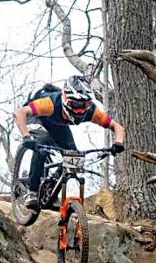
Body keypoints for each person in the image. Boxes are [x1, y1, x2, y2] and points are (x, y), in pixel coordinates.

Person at [13, 75, 126, 209]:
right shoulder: (50, 103)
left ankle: (50, 191)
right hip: (38, 118)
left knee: (74, 158)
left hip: (58, 125)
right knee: (42, 144)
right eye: (75, 104)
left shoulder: (91, 112)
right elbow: (19, 112)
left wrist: (118, 143)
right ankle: (31, 192)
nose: (79, 109)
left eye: (84, 105)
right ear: (66, 100)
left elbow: (117, 127)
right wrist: (26, 136)